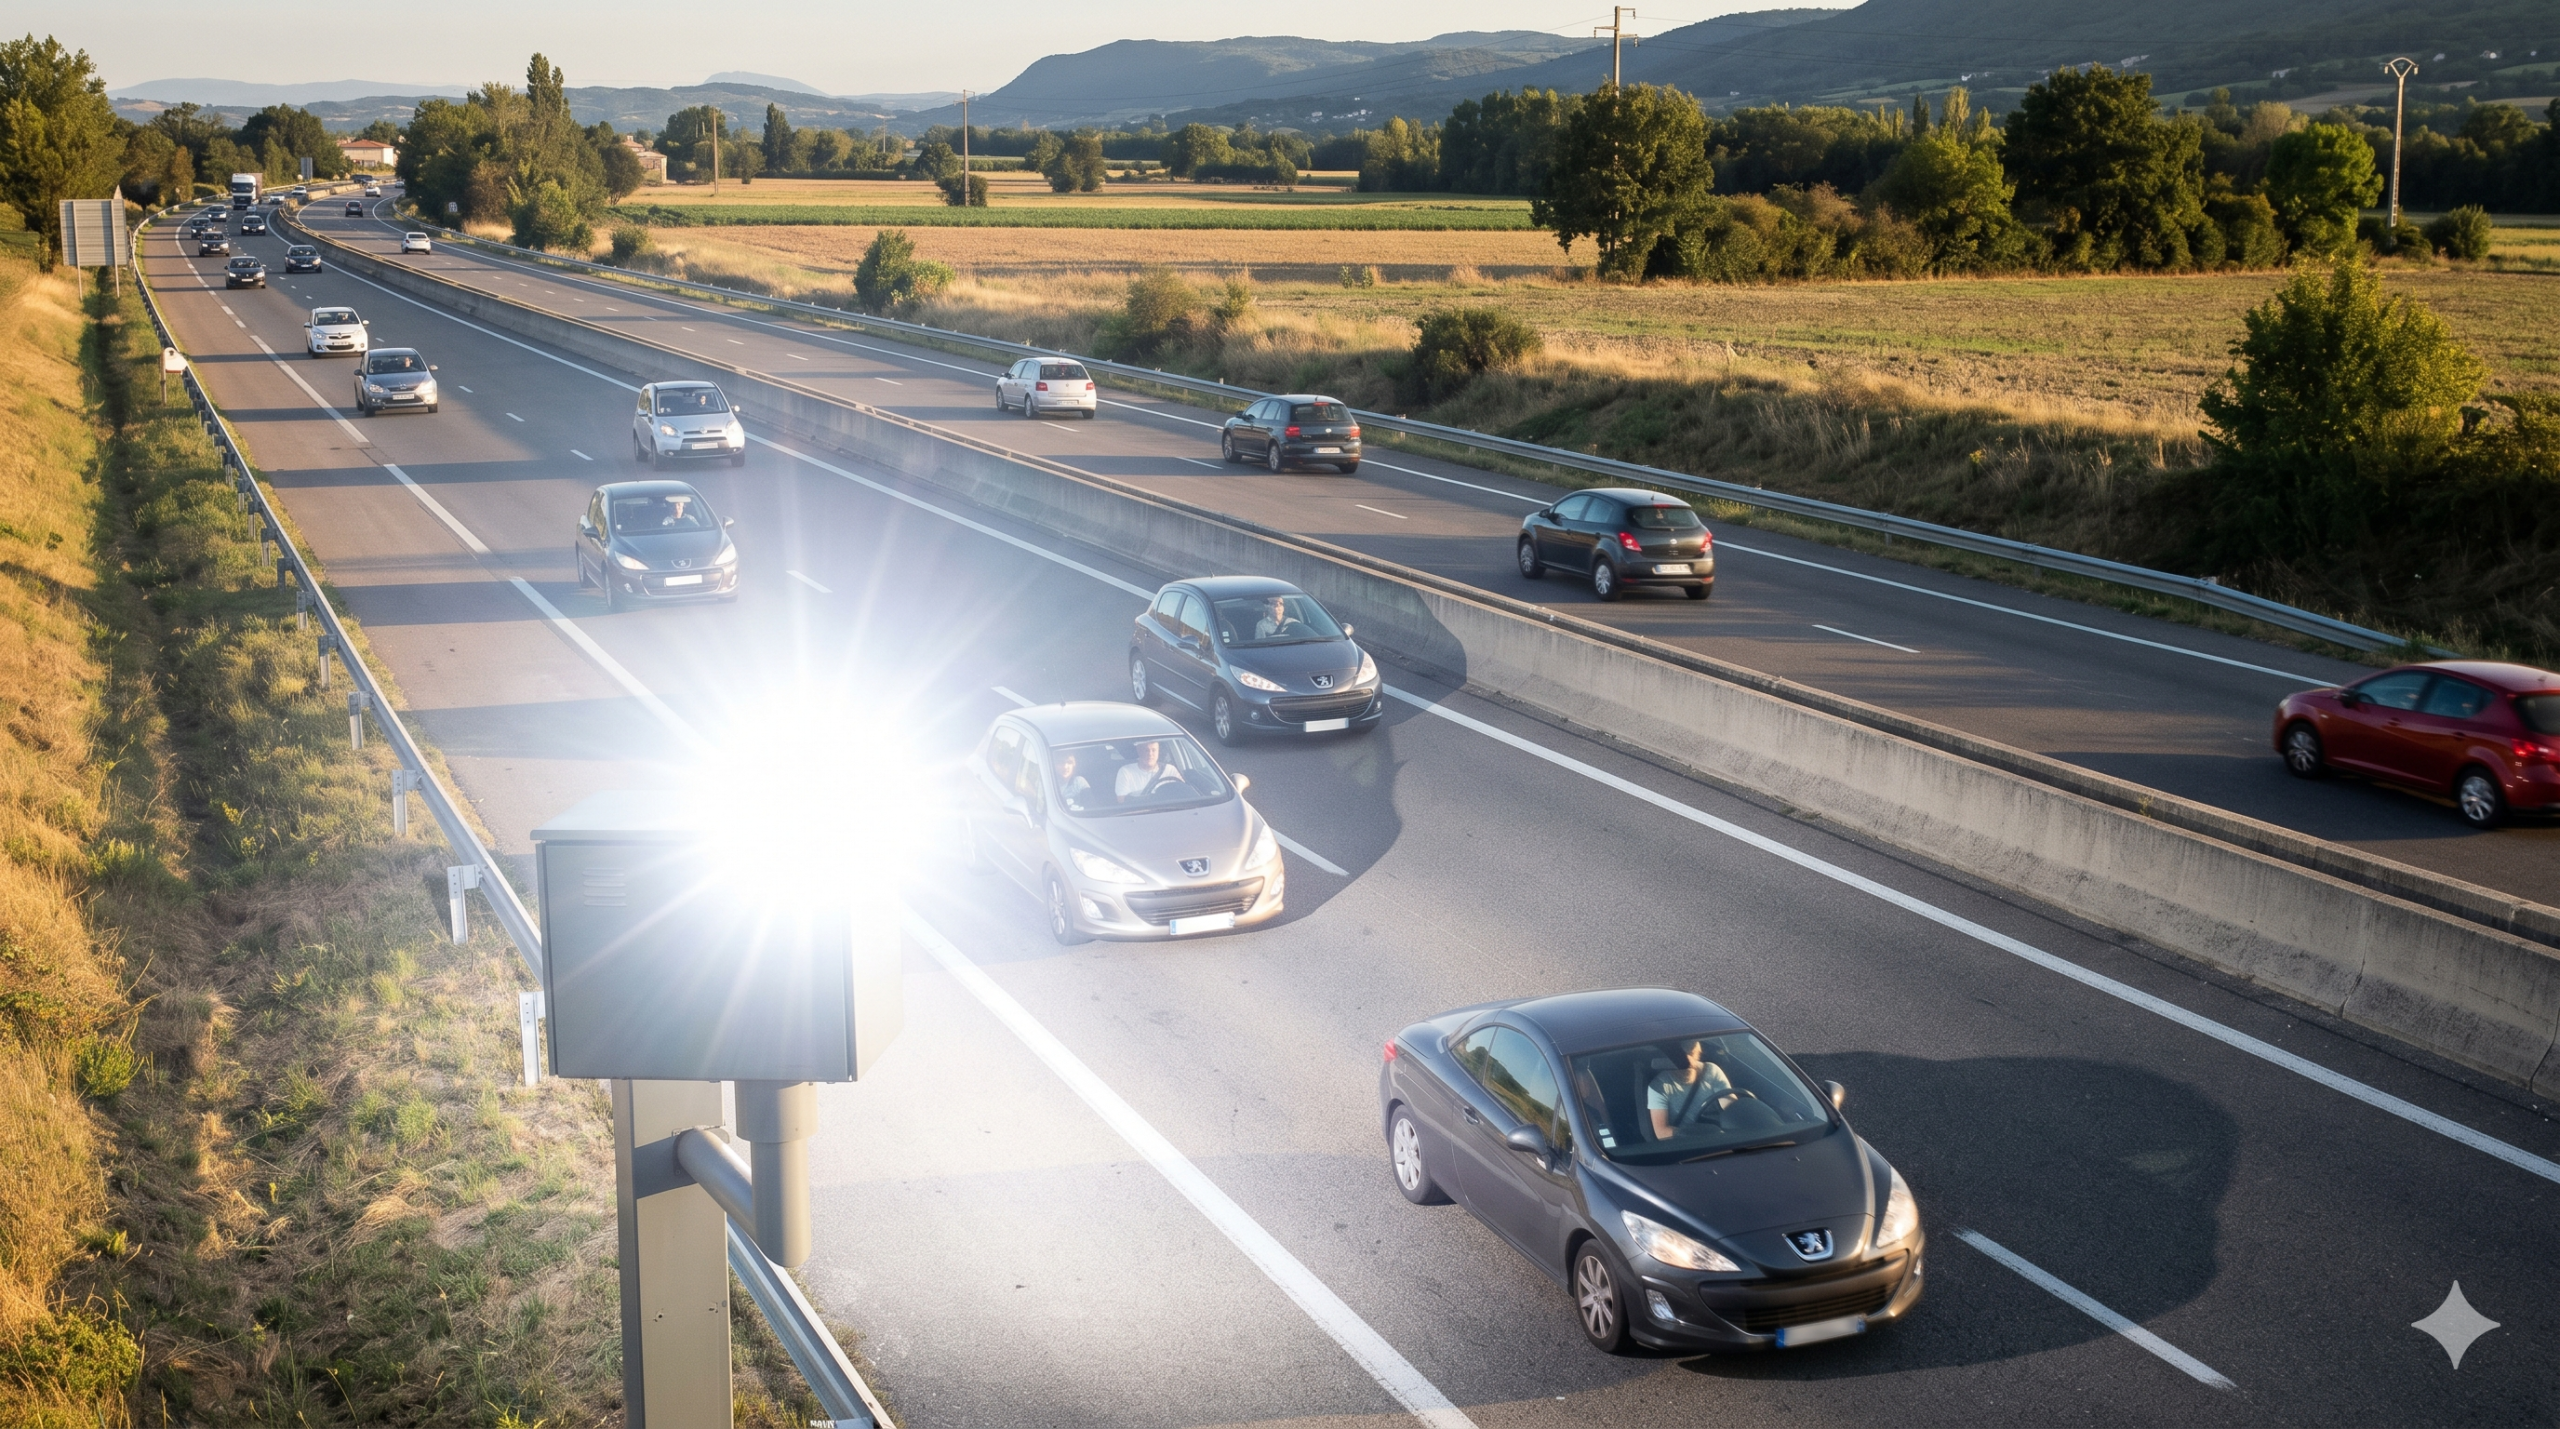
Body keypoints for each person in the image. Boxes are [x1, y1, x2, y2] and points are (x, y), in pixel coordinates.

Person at [1649, 1038, 1738, 1140]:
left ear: (1698, 1053)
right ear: (1668, 1061)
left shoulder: (1712, 1071)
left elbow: (1731, 1107)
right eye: (1681, 1060)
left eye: (1692, 1054)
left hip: (1722, 1138)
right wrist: (1704, 1136)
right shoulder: (1659, 1086)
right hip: (1687, 1144)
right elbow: (1662, 1132)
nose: (1690, 1062)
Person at [1115, 739, 1184, 801]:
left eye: (1153, 750)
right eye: (1146, 750)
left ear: (1158, 752)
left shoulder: (1170, 770)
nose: (1150, 754)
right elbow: (1122, 800)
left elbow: (1184, 793)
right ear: (1139, 751)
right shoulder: (1126, 771)